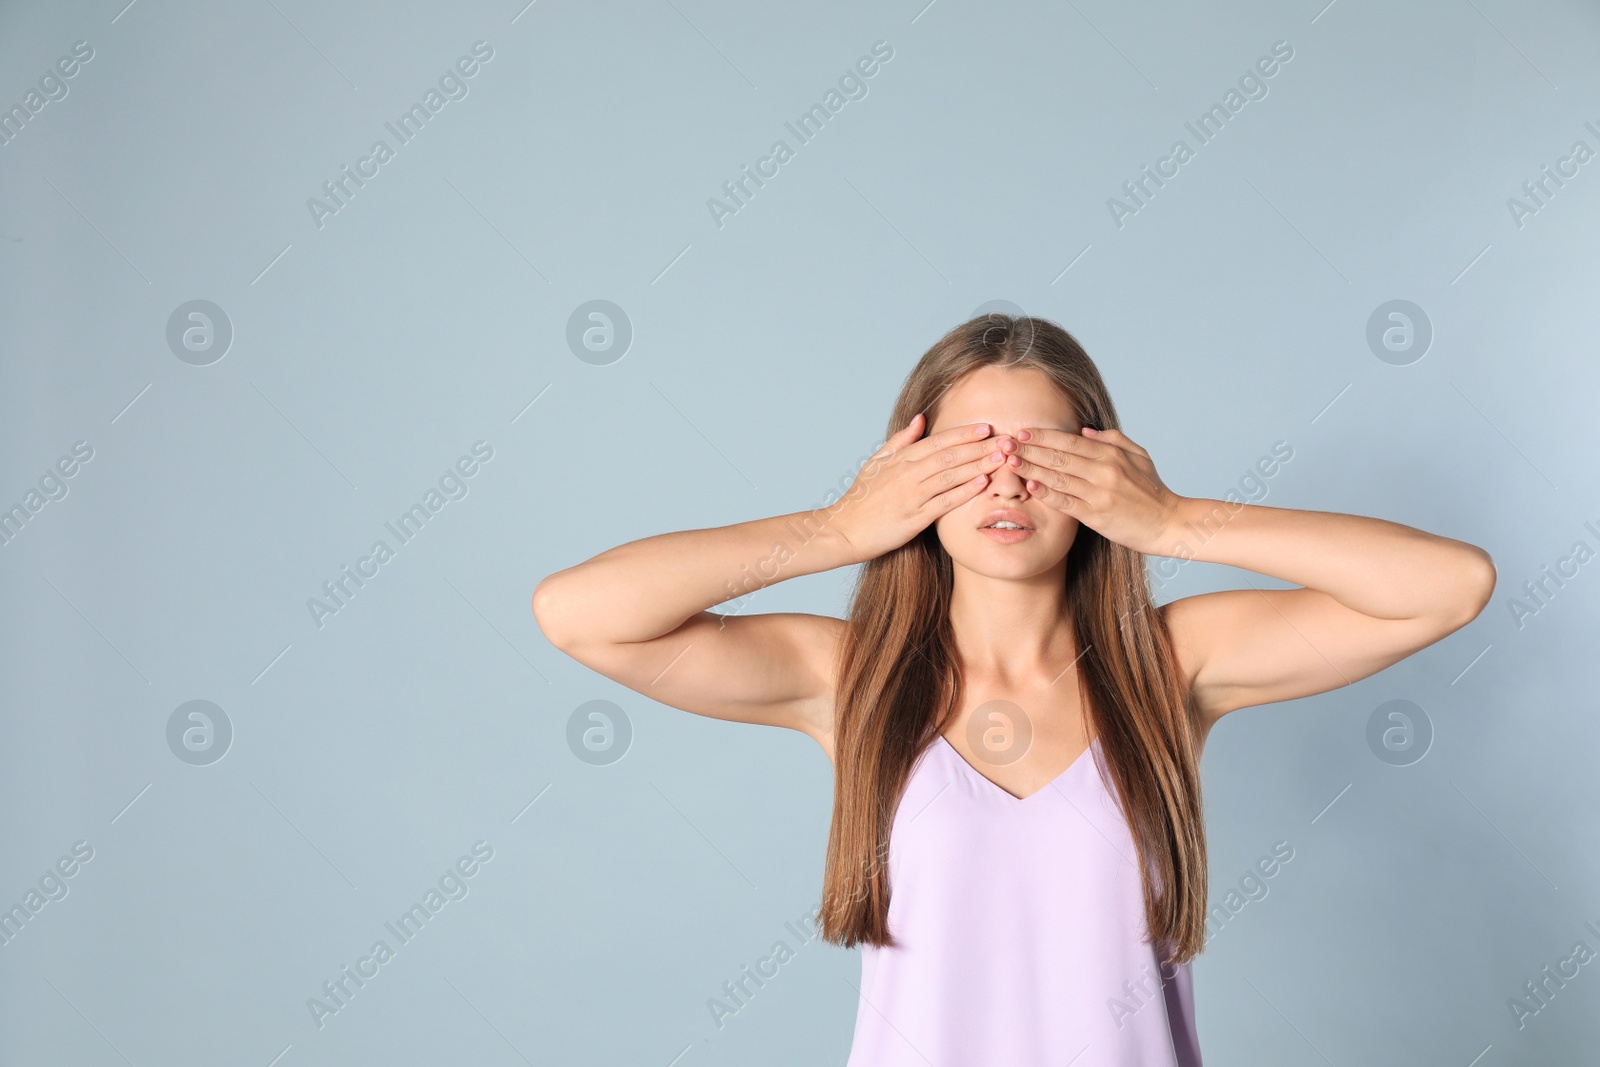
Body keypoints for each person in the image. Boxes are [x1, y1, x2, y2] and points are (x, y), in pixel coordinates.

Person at [531, 314, 1496, 1065]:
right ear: (909, 471)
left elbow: (1450, 586)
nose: (1007, 480)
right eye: (969, 450)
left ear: (1098, 468)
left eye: (1041, 452)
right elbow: (579, 612)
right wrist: (837, 527)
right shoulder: (847, 676)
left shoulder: (1175, 664)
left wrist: (1176, 520)